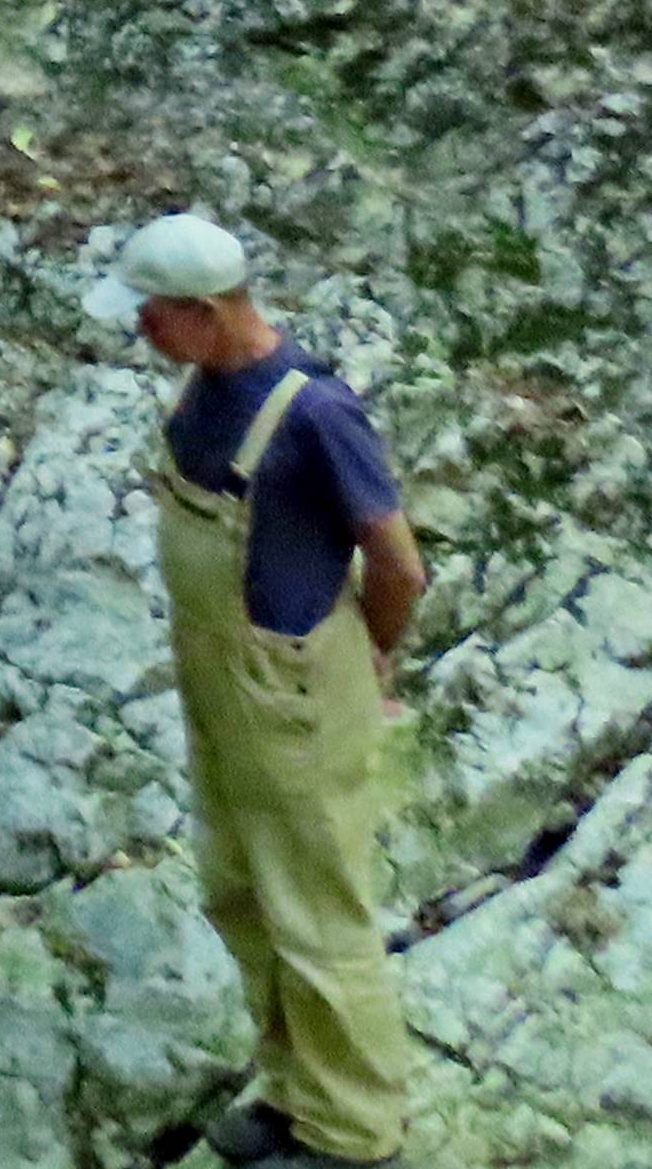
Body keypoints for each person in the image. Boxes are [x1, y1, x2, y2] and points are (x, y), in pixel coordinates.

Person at [89, 213, 430, 1168]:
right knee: (243, 893)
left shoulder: (316, 413)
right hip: (221, 684)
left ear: (204, 312)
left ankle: (357, 1134)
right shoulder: (204, 389)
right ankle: (294, 1093)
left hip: (291, 694)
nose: (140, 333)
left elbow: (398, 564)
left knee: (319, 915)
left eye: (151, 316)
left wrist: (377, 660)